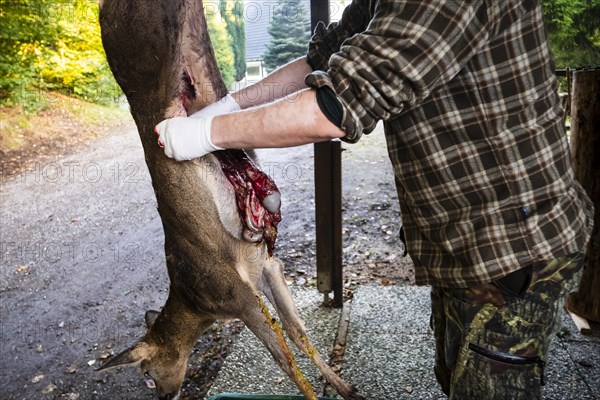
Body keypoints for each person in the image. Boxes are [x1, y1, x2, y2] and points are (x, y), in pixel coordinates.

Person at [156, 1, 594, 398]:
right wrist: (228, 107)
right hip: (465, 245)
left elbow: (334, 106)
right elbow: (320, 59)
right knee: (457, 377)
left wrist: (203, 134)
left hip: (515, 242)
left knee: (488, 390)